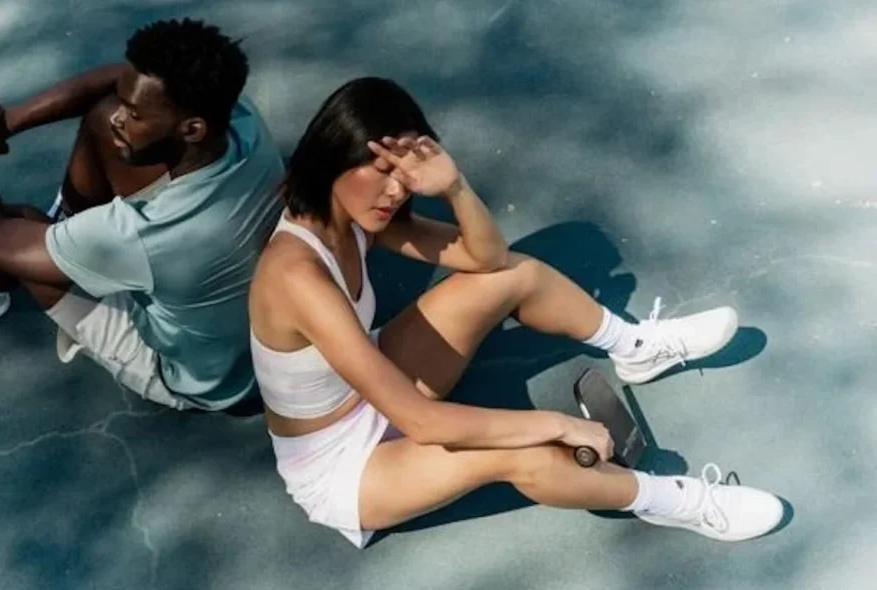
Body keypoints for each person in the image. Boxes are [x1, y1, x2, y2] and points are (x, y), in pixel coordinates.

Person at [248, 77, 783, 548]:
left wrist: (453, 186)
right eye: (381, 168)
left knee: (516, 276)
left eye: (406, 174)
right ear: (334, 155)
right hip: (343, 465)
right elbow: (421, 421)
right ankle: (674, 501)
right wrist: (554, 425)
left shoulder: (359, 216)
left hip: (373, 386)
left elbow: (489, 257)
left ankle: (635, 348)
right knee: (526, 452)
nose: (396, 189)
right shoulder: (297, 273)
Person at [0, 18, 284, 411]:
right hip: (250, 329)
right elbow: (117, 84)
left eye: (135, 114)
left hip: (196, 380)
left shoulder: (146, 232)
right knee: (103, 119)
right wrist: (7, 123)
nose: (124, 116)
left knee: (19, 224)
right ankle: (67, 226)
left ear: (192, 128)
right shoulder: (237, 119)